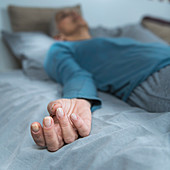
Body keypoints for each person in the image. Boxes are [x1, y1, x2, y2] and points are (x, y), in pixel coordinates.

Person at [30, 10, 170, 152]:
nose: (73, 14)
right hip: (152, 73)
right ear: (58, 36)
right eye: (64, 15)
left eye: (73, 12)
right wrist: (79, 99)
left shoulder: (116, 39)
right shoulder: (60, 47)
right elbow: (76, 75)